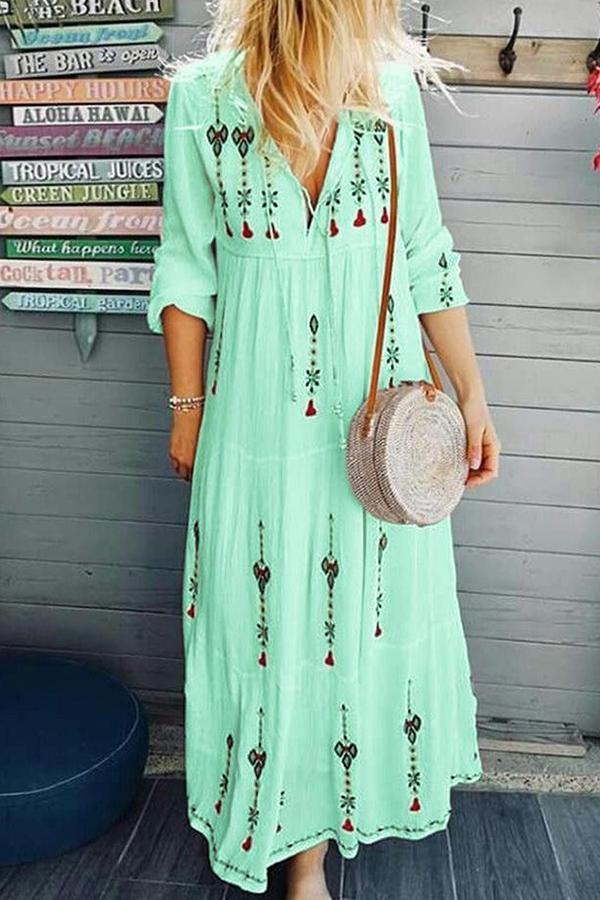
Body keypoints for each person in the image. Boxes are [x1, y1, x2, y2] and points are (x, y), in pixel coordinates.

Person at [146, 2, 500, 896]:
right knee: (265, 622)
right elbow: (186, 263)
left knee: (356, 619)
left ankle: (315, 851)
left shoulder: (390, 96)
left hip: (373, 420)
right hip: (254, 415)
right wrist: (186, 406)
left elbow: (424, 252)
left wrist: (472, 392)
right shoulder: (202, 98)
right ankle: (290, 844)